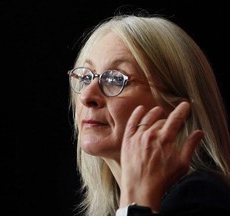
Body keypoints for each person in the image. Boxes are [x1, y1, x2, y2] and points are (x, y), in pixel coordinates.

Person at [67, 11, 230, 216]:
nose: (86, 96)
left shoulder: (201, 198)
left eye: (116, 79)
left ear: (177, 109)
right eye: (85, 77)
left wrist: (136, 204)